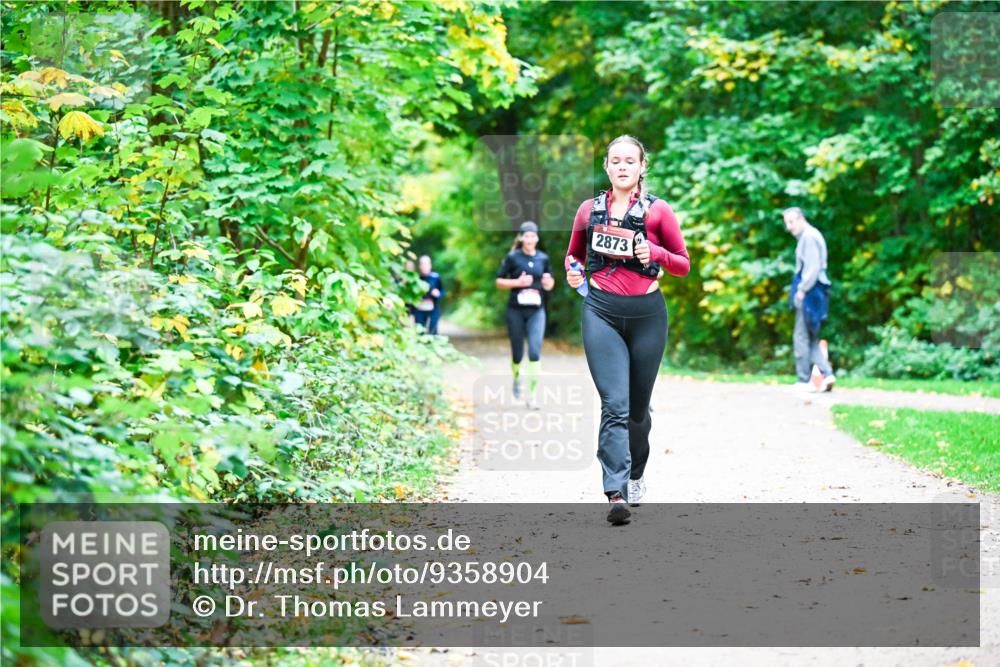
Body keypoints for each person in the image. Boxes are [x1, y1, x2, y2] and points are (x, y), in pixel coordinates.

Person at [564, 135, 690, 525]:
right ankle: (615, 492)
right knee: (614, 405)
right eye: (615, 161)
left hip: (648, 316)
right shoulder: (589, 211)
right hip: (600, 311)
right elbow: (573, 254)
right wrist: (572, 272)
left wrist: (653, 252)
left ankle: (636, 475)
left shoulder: (657, 212)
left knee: (637, 411)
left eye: (629, 161)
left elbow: (682, 264)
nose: (622, 167)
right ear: (606, 167)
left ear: (641, 167)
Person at [495, 221, 555, 409]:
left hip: (537, 311)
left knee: (535, 352)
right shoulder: (513, 258)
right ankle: (516, 377)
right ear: (521, 238)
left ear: (537, 238)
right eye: (526, 236)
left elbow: (550, 284)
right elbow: (498, 281)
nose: (529, 239)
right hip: (516, 311)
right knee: (517, 354)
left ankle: (533, 396)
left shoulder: (543, 258)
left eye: (533, 236)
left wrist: (547, 282)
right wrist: (518, 282)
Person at [782, 207, 835, 393]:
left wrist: (802, 290)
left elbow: (812, 268)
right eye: (787, 223)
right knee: (811, 337)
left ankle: (803, 380)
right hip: (815, 291)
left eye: (792, 222)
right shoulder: (810, 236)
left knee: (801, 336)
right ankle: (827, 375)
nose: (789, 227)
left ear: (801, 219)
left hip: (811, 292)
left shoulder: (809, 237)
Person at [414, 255, 444, 335]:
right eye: (422, 264)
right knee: (419, 331)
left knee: (433, 330)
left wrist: (438, 294)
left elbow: (442, 291)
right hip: (419, 309)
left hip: (433, 307)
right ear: (420, 266)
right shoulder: (415, 278)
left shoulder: (436, 277)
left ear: (430, 265)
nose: (424, 266)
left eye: (426, 264)